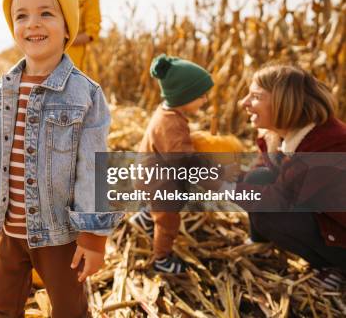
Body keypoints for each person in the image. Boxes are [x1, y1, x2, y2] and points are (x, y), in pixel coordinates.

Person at [0, 0, 123, 317]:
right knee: (3, 304)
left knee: (69, 308)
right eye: (21, 16)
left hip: (60, 237)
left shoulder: (85, 94)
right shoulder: (0, 91)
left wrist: (92, 236)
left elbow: (92, 167)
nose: (32, 24)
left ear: (66, 27)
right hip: (10, 232)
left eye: (46, 13)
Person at [238, 63, 346, 291]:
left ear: (283, 101)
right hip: (329, 219)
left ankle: (336, 265)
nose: (244, 103)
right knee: (257, 178)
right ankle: (259, 243)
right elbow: (261, 179)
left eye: (255, 96)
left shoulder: (327, 145)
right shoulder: (283, 135)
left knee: (271, 213)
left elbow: (277, 200)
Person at [128, 54, 214, 274]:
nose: (205, 100)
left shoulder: (166, 112)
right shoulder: (172, 123)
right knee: (168, 221)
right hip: (159, 184)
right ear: (184, 97)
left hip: (146, 174)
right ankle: (162, 259)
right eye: (201, 96)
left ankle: (145, 216)